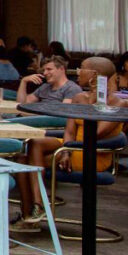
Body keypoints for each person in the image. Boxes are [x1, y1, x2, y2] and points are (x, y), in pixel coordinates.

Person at [12, 56, 126, 232]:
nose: (77, 72)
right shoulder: (79, 96)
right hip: (71, 146)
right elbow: (70, 130)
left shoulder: (117, 103)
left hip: (93, 153)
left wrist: (95, 101)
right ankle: (36, 206)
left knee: (24, 162)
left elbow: (95, 134)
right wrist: (65, 151)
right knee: (32, 146)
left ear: (95, 75)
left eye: (82, 68)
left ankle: (32, 215)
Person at [16, 55, 82, 104]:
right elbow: (22, 103)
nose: (44, 73)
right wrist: (24, 81)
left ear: (61, 69)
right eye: (44, 70)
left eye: (49, 69)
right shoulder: (45, 87)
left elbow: (63, 112)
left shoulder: (71, 88)